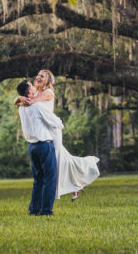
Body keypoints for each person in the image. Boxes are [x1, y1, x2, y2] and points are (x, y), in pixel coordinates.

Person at [16, 70, 100, 201]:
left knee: (59, 159)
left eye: (42, 76)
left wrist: (20, 98)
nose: (38, 77)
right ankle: (75, 185)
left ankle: (80, 175)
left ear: (47, 81)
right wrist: (19, 98)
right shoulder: (35, 92)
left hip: (53, 130)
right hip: (43, 130)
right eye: (38, 75)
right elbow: (24, 103)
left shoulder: (48, 93)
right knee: (61, 159)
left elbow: (31, 103)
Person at [16, 80, 64, 216]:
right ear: (30, 92)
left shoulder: (21, 109)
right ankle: (46, 210)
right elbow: (55, 121)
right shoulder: (37, 107)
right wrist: (60, 124)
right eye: (31, 86)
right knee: (50, 177)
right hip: (44, 145)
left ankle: (34, 209)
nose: (34, 87)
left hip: (32, 147)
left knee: (38, 179)